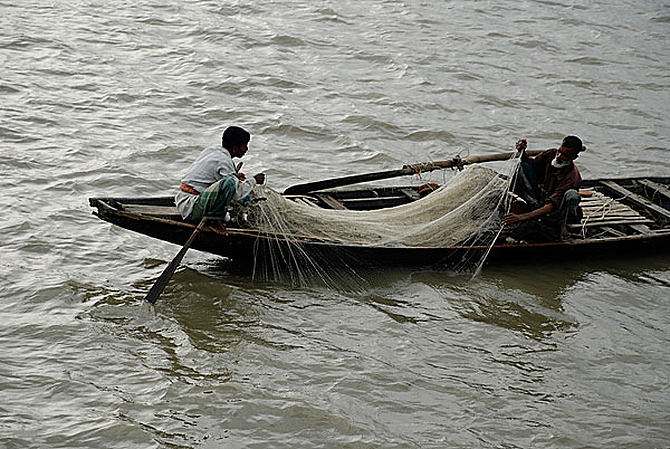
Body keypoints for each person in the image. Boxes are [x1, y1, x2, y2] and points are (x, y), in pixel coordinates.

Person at [175, 126, 265, 222]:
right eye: (245, 145)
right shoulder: (224, 161)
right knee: (230, 183)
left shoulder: (213, 151)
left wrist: (235, 176)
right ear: (235, 148)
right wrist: (254, 180)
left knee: (232, 181)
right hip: (191, 207)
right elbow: (237, 194)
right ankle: (215, 220)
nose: (246, 149)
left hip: (182, 200)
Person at [503, 136, 586, 238]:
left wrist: (521, 217)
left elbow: (551, 206)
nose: (559, 157)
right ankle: (531, 204)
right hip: (542, 197)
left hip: (556, 210)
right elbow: (531, 164)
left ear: (574, 157)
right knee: (522, 166)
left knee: (571, 195)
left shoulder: (571, 177)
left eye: (565, 155)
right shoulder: (551, 154)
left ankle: (562, 224)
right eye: (560, 152)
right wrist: (522, 151)